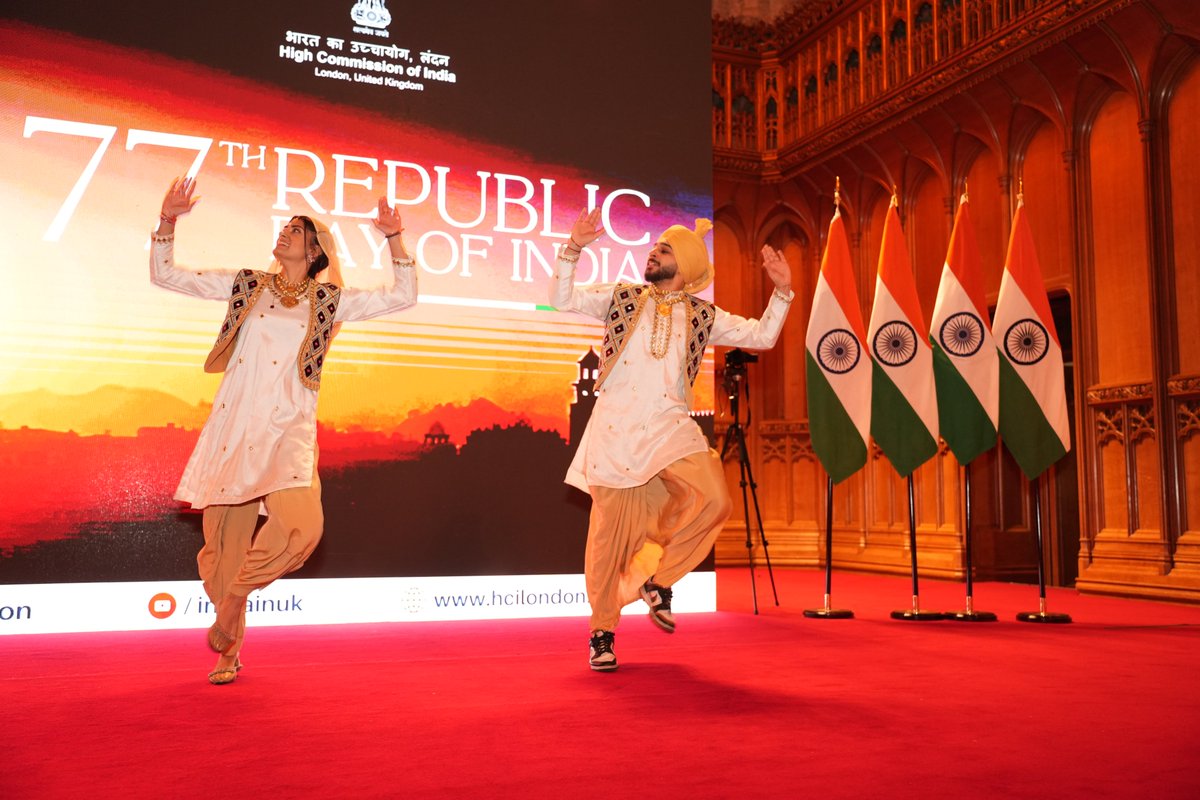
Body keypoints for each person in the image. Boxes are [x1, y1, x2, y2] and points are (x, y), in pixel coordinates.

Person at [150, 177, 418, 684]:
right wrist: (168, 220)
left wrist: (393, 238)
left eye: (296, 230)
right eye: (285, 227)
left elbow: (402, 295)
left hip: (288, 431)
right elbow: (168, 276)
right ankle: (230, 651)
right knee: (224, 544)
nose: (285, 233)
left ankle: (235, 597)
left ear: (315, 250)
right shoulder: (247, 284)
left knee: (303, 530)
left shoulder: (329, 300)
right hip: (236, 428)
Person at [550, 208, 793, 671]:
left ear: (683, 263)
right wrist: (574, 248)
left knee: (715, 499)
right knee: (607, 540)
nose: (653, 252)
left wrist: (781, 292)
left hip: (668, 427)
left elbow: (760, 335)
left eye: (663, 249)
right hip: (616, 430)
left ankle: (659, 581)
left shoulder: (703, 314)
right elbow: (562, 298)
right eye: (655, 248)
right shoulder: (622, 296)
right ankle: (602, 632)